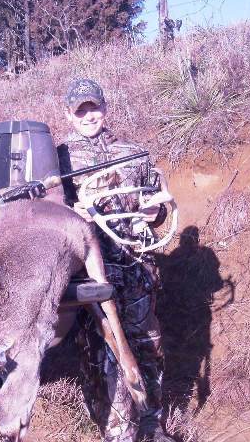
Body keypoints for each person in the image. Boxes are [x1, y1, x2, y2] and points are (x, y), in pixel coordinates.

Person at [57, 79, 174, 442]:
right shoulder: (58, 160)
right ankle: (118, 432)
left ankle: (153, 425)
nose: (88, 116)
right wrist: (71, 214)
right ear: (69, 115)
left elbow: (159, 206)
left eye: (93, 108)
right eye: (80, 111)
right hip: (93, 276)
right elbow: (48, 214)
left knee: (148, 343)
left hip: (137, 268)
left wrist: (155, 211)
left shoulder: (134, 153)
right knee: (103, 352)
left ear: (105, 108)